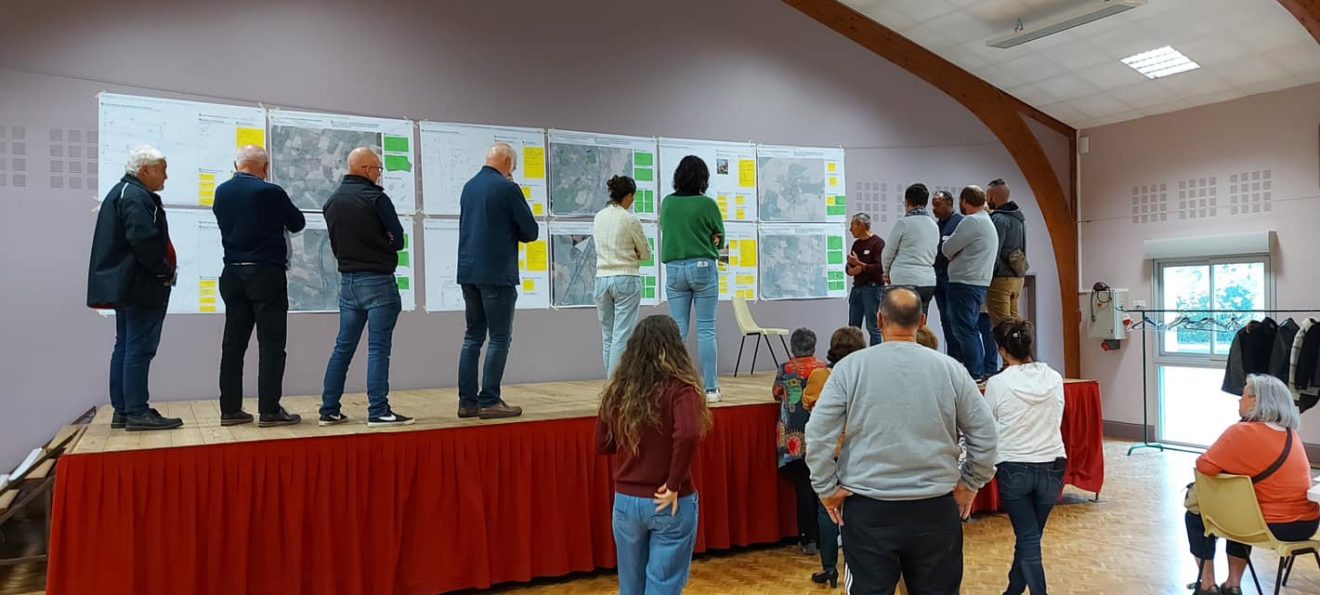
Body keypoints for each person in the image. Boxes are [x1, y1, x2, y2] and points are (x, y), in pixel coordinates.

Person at [806, 287, 998, 594]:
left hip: (868, 508)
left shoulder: (849, 369)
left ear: (879, 319)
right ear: (922, 321)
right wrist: (972, 482)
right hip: (936, 507)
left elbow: (817, 435)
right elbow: (986, 435)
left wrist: (826, 488)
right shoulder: (951, 370)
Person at [596, 315, 712, 595]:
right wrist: (673, 484)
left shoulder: (619, 388)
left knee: (631, 586)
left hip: (626, 500)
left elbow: (602, 441)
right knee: (663, 585)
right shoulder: (681, 387)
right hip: (668, 500)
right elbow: (687, 433)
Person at [1186, 374, 1319, 595]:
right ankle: (1233, 584)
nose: (1239, 400)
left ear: (1257, 401)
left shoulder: (1241, 432)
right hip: (1307, 524)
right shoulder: (1290, 434)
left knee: (1197, 516)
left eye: (1243, 394)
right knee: (1243, 511)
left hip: (1272, 525)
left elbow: (1204, 467)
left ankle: (1207, 585)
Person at [86, 145, 183, 431]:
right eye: (162, 169)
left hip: (128, 285)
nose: (166, 176)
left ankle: (124, 411)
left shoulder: (123, 192)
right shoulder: (137, 197)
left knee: (126, 347)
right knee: (139, 349)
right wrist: (164, 271)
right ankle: (138, 411)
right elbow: (144, 241)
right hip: (141, 285)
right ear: (145, 170)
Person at [211, 145, 305, 428]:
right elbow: (297, 223)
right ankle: (269, 410)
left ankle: (230, 410)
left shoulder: (222, 191)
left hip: (232, 273)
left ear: (236, 164)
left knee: (233, 345)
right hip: (266, 273)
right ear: (264, 168)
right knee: (271, 344)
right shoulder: (270, 191)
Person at [319, 147, 412, 428]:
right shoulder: (376, 199)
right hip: (378, 282)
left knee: (343, 347)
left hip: (348, 282)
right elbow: (398, 240)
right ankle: (379, 411)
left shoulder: (332, 201)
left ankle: (329, 409)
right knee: (378, 349)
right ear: (365, 170)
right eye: (378, 169)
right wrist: (383, 240)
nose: (379, 174)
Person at [457, 143, 539, 419]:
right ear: (506, 162)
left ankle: (467, 402)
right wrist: (512, 188)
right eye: (513, 166)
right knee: (499, 337)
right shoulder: (508, 189)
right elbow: (530, 231)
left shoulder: (469, 187)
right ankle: (490, 399)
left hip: (468, 273)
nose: (512, 171)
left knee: (472, 337)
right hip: (496, 274)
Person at [984, 320, 1066, 595]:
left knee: (1029, 537)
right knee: (1030, 536)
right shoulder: (1054, 378)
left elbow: (988, 425)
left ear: (1002, 351)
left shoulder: (997, 384)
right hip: (1053, 464)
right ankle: (1013, 590)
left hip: (1014, 466)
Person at [801, 326, 867, 588]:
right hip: (858, 449)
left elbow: (807, 402)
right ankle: (854, 563)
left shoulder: (820, 375)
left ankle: (829, 568)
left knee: (826, 510)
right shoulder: (865, 374)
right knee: (856, 510)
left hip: (829, 450)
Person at [659, 155, 725, 402]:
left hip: (674, 269)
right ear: (702, 178)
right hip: (703, 267)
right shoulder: (707, 204)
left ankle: (674, 386)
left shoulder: (667, 203)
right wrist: (712, 240)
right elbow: (720, 236)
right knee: (706, 329)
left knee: (677, 330)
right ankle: (710, 389)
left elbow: (666, 230)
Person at [773, 328, 829, 558]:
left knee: (802, 490)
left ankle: (808, 540)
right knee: (821, 489)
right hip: (819, 434)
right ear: (814, 347)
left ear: (791, 348)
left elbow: (776, 393)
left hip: (793, 438)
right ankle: (826, 537)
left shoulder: (785, 369)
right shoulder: (823, 368)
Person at [594, 175, 650, 378]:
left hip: (601, 279)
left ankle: (610, 384)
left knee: (608, 336)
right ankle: (614, 385)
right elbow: (645, 253)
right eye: (633, 197)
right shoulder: (630, 220)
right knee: (622, 336)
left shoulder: (598, 217)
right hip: (625, 277)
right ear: (627, 196)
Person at [942, 185, 999, 382]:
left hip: (964, 282)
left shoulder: (972, 222)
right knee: (972, 327)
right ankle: (981, 370)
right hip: (979, 282)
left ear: (965, 202)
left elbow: (947, 248)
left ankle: (974, 373)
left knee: (964, 329)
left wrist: (951, 249)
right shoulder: (987, 221)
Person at [881, 184, 938, 312]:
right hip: (928, 282)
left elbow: (888, 253)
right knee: (920, 326)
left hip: (905, 280)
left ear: (908, 202)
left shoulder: (903, 223)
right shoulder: (934, 225)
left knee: (903, 324)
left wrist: (886, 273)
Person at [987, 179, 1027, 327]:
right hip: (1017, 278)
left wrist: (989, 275)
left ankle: (1008, 351)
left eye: (987, 195)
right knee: (1015, 326)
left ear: (992, 197)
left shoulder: (999, 219)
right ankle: (1019, 351)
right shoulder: (1019, 219)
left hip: (1001, 280)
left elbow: (993, 252)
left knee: (1002, 327)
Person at [931, 190, 963, 361]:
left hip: (953, 280)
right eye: (933, 205)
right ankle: (952, 357)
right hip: (938, 279)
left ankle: (961, 358)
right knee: (945, 321)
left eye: (938, 204)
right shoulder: (936, 226)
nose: (934, 209)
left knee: (955, 321)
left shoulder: (960, 223)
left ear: (949, 203)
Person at [845, 213, 886, 346]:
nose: (850, 229)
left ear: (861, 225)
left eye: (852, 225)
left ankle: (875, 358)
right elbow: (850, 264)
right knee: (852, 328)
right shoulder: (856, 244)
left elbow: (880, 267)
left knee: (872, 327)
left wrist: (861, 265)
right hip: (857, 288)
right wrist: (850, 270)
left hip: (873, 289)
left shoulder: (878, 243)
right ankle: (852, 357)